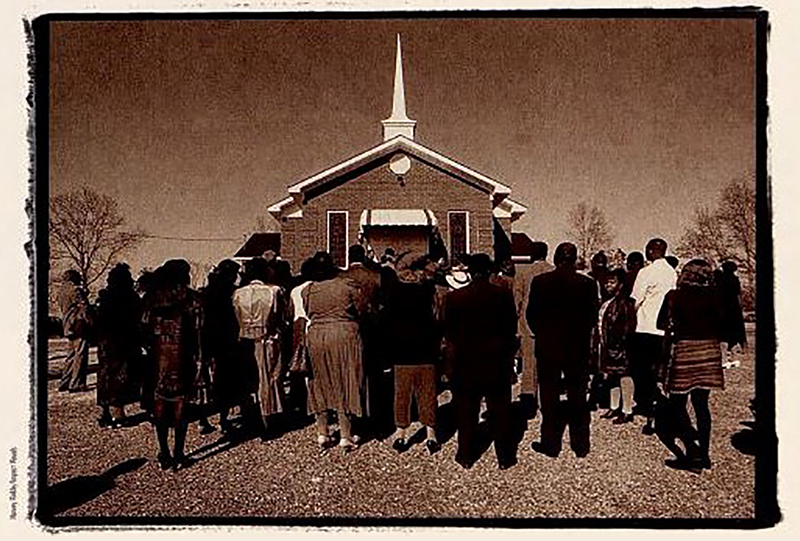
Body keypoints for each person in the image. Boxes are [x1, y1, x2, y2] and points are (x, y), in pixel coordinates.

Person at [445, 253, 518, 470]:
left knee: (467, 411)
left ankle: (466, 455)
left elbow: (450, 332)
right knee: (500, 411)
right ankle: (505, 457)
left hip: (466, 362)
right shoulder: (502, 296)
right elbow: (510, 329)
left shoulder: (456, 298)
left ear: (469, 271)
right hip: (496, 361)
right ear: (489, 272)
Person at [527, 243, 599, 458]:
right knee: (578, 396)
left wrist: (544, 332)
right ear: (575, 259)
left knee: (549, 396)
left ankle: (550, 444)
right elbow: (592, 316)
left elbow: (532, 315)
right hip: (577, 346)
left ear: (556, 258)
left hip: (548, 345)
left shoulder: (541, 282)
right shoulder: (587, 284)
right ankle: (580, 445)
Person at [657, 259, 725, 470]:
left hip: (685, 350)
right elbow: (724, 324)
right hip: (709, 351)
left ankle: (690, 448)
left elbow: (660, 323)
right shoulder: (716, 296)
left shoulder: (674, 296)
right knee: (702, 405)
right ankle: (704, 455)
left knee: (677, 404)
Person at [141, 260, 202, 470]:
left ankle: (164, 451)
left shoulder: (151, 298)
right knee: (181, 404)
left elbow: (142, 328)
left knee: (159, 402)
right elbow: (199, 330)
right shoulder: (192, 298)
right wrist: (200, 357)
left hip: (157, 357)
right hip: (183, 356)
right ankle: (179, 452)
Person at [302, 251, 365, 453]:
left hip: (316, 335)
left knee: (319, 382)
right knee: (345, 380)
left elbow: (308, 311)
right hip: (343, 333)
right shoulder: (346, 286)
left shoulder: (308, 290)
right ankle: (345, 435)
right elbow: (361, 309)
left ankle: (322, 432)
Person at [382, 254, 442, 454]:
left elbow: (388, 321)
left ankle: (401, 433)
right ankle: (431, 434)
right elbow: (436, 317)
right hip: (426, 348)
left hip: (402, 349)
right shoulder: (428, 290)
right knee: (428, 392)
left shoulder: (394, 292)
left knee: (402, 393)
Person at [232, 257, 287, 440]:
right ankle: (269, 418)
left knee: (251, 381)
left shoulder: (238, 293)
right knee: (270, 379)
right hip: (268, 340)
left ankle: (253, 417)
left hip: (245, 341)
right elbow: (280, 317)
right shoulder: (275, 291)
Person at [629, 238, 677, 435]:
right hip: (664, 329)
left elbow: (636, 300)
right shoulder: (672, 272)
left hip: (646, 327)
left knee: (644, 372)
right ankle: (661, 406)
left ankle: (650, 410)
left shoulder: (646, 272)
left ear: (650, 251)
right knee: (661, 370)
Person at [95, 263, 143, 428]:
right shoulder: (129, 298)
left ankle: (104, 412)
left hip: (105, 342)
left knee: (104, 375)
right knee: (120, 377)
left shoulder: (105, 297)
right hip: (123, 342)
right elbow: (137, 320)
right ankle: (118, 413)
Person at [512, 241, 554, 418]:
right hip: (551, 326)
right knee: (549, 365)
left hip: (527, 325)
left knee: (529, 365)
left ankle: (529, 402)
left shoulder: (523, 273)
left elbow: (517, 300)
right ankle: (549, 402)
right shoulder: (553, 271)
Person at [200, 259, 241, 435]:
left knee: (204, 381)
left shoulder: (204, 293)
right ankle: (224, 420)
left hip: (206, 340)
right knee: (225, 381)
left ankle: (203, 418)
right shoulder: (232, 293)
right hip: (226, 341)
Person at [596, 269, 637, 424]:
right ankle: (614, 406)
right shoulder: (608, 302)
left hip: (620, 347)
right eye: (606, 282)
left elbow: (627, 328)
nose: (608, 285)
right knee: (611, 377)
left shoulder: (624, 303)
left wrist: (620, 346)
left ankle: (627, 409)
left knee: (624, 377)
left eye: (612, 282)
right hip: (608, 346)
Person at [58, 270, 92, 393]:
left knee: (71, 355)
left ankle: (65, 382)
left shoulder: (61, 292)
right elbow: (85, 307)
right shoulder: (76, 291)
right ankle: (76, 383)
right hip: (79, 326)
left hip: (68, 326)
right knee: (80, 356)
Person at [717, 261, 747, 369]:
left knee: (723, 335)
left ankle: (724, 359)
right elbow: (738, 294)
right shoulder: (735, 280)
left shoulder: (720, 279)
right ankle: (735, 358)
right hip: (734, 309)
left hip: (722, 308)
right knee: (734, 334)